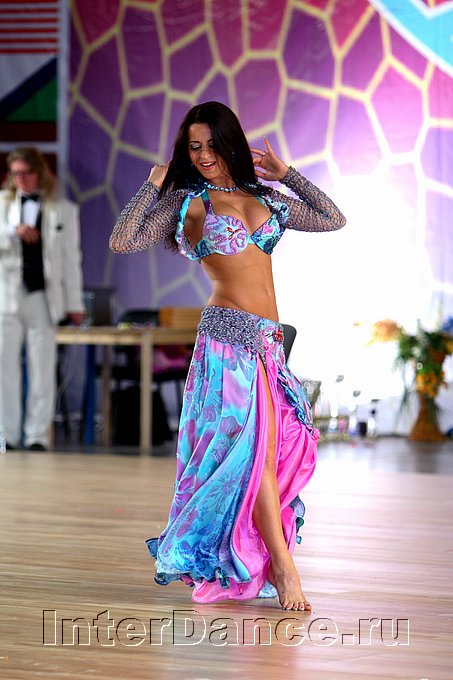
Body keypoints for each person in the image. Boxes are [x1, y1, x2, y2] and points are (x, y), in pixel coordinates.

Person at [110, 101, 346, 611]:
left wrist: (288, 175)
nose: (203, 156)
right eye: (194, 147)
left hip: (268, 342)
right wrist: (153, 184)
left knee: (269, 454)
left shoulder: (264, 196)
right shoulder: (187, 202)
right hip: (225, 339)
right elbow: (123, 240)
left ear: (230, 143)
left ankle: (267, 560)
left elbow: (333, 219)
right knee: (254, 453)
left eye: (212, 145)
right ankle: (284, 568)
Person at [0, 147, 85, 451]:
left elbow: (71, 260)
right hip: (7, 297)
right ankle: (6, 434)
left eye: (26, 173)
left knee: (42, 368)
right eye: (16, 174)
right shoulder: (2, 204)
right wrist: (13, 232)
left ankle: (37, 434)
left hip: (43, 298)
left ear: (39, 173)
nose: (21, 179)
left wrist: (75, 304)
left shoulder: (64, 210)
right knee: (4, 369)